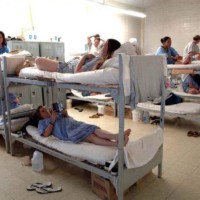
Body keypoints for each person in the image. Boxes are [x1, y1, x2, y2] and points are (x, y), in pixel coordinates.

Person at [34, 105, 130, 146]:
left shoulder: (55, 113)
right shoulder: (42, 123)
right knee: (91, 136)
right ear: (41, 116)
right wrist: (52, 121)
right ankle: (116, 144)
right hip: (68, 132)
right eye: (43, 111)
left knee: (94, 129)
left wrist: (64, 113)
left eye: (45, 108)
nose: (46, 110)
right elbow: (46, 134)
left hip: (75, 124)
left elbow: (68, 118)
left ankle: (117, 136)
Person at [35, 39, 121, 74]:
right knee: (40, 63)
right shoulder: (98, 59)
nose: (101, 47)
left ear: (108, 49)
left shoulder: (98, 60)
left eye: (104, 45)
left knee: (38, 60)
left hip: (66, 68)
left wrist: (84, 57)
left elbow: (77, 71)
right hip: (68, 64)